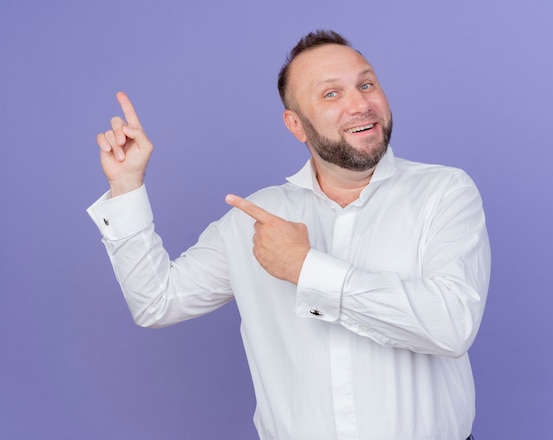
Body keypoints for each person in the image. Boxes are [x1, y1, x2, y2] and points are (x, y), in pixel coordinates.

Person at [88, 30, 489, 440]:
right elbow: (156, 303)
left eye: (366, 84)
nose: (360, 103)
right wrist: (127, 187)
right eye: (331, 94)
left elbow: (451, 325)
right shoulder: (256, 219)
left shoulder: (445, 192)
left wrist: (306, 268)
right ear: (296, 125)